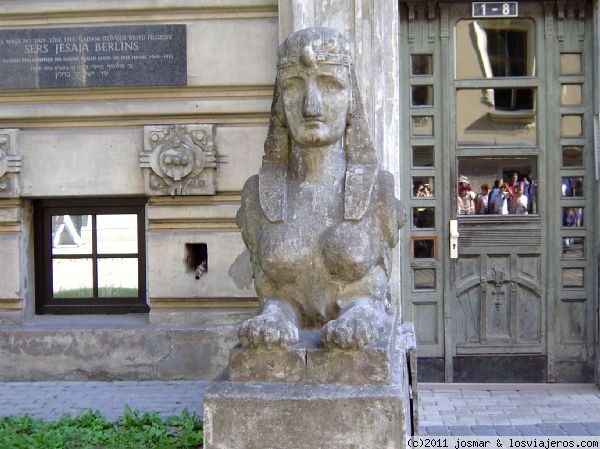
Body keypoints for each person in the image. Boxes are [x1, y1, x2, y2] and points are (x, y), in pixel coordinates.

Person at [236, 28, 405, 350]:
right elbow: (274, 293)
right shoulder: (256, 195)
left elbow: (376, 292)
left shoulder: (379, 189)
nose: (311, 106)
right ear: (279, 105)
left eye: (330, 85)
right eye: (293, 86)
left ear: (351, 99)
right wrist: (276, 313)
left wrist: (362, 312)